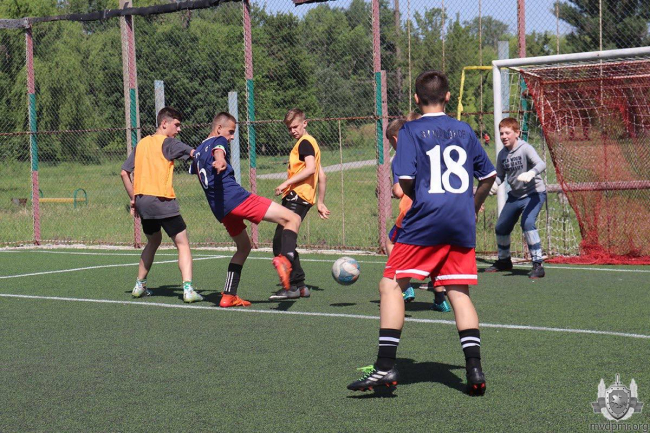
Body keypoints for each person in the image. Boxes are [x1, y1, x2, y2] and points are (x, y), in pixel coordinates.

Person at [347, 70, 496, 396]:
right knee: (459, 293)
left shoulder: (410, 131)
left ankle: (385, 366)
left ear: (416, 98)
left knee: (390, 285)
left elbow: (405, 182)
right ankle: (474, 369)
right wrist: (471, 207)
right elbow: (488, 176)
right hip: (460, 222)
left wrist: (424, 198)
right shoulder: (464, 130)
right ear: (447, 97)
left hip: (426, 221)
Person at [190, 112, 303, 307]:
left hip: (220, 208)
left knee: (243, 247)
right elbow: (219, 149)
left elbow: (197, 167)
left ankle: (228, 295)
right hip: (235, 198)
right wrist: (220, 159)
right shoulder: (219, 140)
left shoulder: (198, 150)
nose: (232, 137)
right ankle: (285, 259)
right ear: (219, 129)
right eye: (231, 131)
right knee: (292, 218)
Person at [120, 106, 202, 303]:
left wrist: (134, 199)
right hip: (162, 200)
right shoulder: (169, 143)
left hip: (143, 202)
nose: (179, 129)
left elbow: (124, 172)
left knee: (153, 241)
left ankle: (140, 285)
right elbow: (196, 153)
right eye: (177, 125)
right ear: (164, 123)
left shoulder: (142, 143)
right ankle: (188, 289)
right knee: (182, 243)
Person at [385, 115, 451, 313]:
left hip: (412, 213)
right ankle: (440, 299)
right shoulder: (430, 150)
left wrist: (394, 189)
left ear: (395, 139)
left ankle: (404, 287)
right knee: (434, 253)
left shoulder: (401, 156)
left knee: (390, 242)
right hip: (437, 210)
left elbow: (399, 191)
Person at [269, 109, 330, 300]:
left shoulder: (304, 143)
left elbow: (311, 169)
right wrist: (320, 202)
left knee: (281, 242)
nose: (292, 131)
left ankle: (291, 287)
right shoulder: (311, 143)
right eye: (289, 128)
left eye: (295, 126)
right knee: (285, 241)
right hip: (302, 198)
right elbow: (322, 175)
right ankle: (300, 286)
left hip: (297, 197)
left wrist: (286, 183)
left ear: (305, 123)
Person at [485, 117, 547, 279]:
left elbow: (541, 164)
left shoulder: (525, 148)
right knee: (501, 227)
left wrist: (531, 173)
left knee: (527, 223)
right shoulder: (502, 155)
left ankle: (538, 264)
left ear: (517, 133)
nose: (504, 136)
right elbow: (500, 176)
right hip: (515, 196)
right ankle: (504, 261)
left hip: (534, 194)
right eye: (501, 133)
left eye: (507, 133)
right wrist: (494, 184)